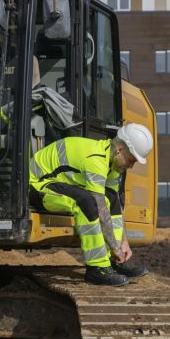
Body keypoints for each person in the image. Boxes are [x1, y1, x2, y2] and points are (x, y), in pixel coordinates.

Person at [29, 123, 153, 286]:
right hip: (37, 184)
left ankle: (113, 261)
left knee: (113, 198)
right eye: (131, 160)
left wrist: (123, 243)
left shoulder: (113, 163)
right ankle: (97, 268)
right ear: (119, 150)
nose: (131, 166)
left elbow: (113, 202)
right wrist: (114, 246)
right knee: (86, 201)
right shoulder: (95, 160)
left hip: (60, 182)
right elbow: (100, 208)